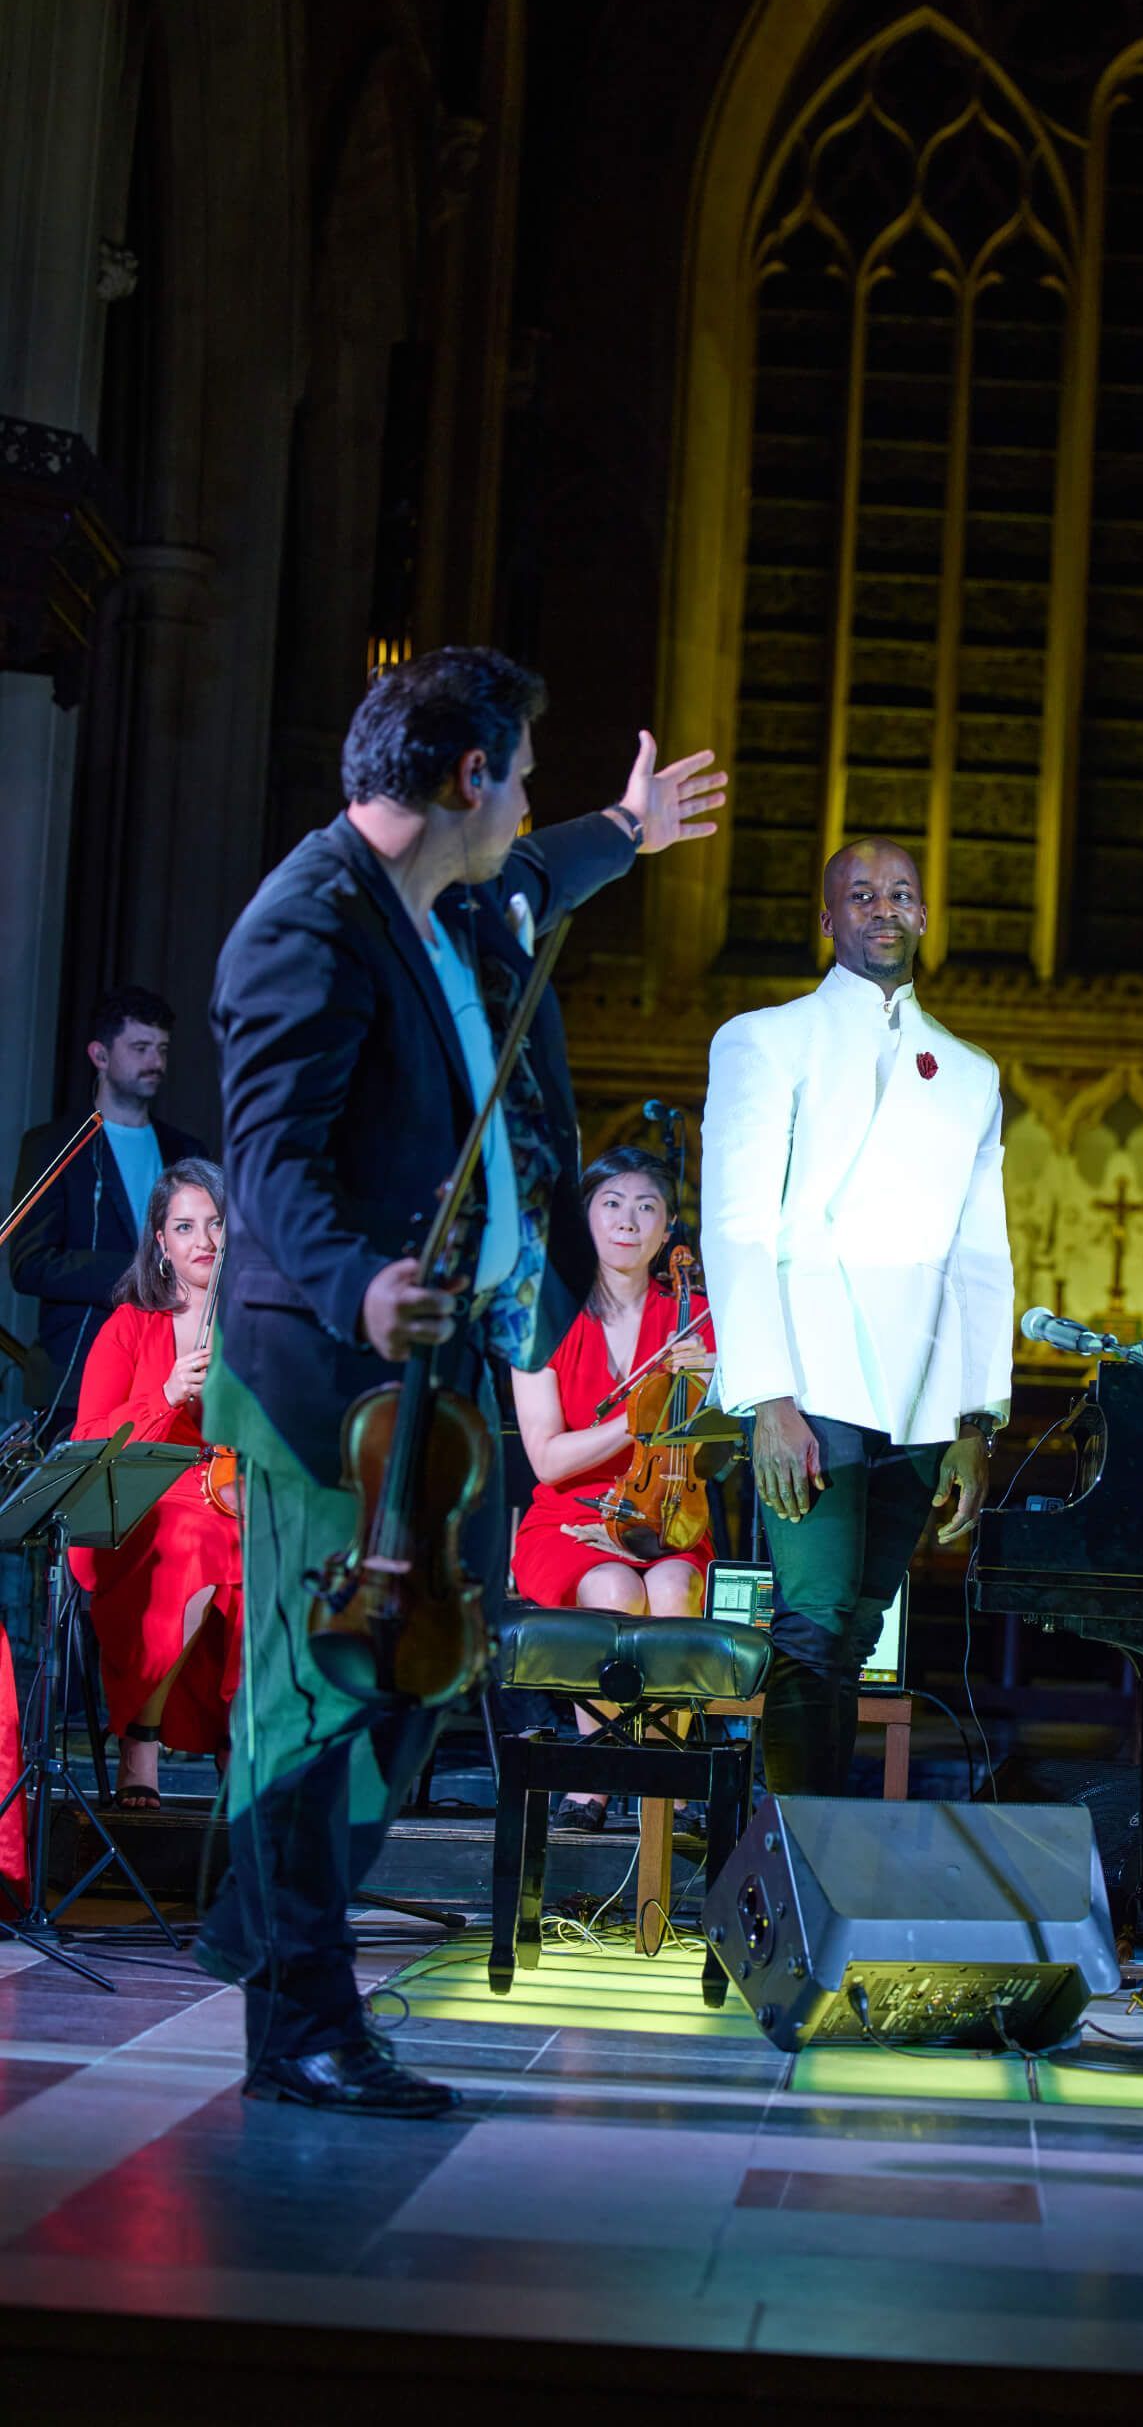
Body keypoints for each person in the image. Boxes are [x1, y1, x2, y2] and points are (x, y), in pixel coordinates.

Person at [197, 646, 724, 2117]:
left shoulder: (461, 896)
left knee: (424, 1667)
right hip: (330, 1376)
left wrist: (620, 832)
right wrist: (360, 1280)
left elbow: (534, 878)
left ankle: (263, 1934)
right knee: (322, 1694)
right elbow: (272, 1160)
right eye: (521, 780)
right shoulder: (302, 929)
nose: (526, 808)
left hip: (448, 1370)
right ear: (465, 777)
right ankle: (295, 2016)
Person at [700, 836, 1013, 1797]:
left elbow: (979, 1256)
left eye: (903, 894)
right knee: (816, 1614)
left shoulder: (967, 1073)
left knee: (862, 1625)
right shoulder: (764, 1038)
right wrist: (767, 1397)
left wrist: (973, 1421)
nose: (885, 909)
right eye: (863, 894)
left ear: (923, 916)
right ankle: (786, 1862)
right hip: (812, 1370)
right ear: (826, 918)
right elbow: (739, 1227)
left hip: (919, 1388)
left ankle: (806, 1849)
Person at [510, 1146, 715, 1830]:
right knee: (615, 1592)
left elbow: (718, 1451)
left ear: (668, 1231)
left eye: (647, 1207)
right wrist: (642, 1410)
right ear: (586, 1218)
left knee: (673, 1590)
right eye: (612, 1203)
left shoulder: (696, 1317)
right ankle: (596, 1775)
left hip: (666, 1511)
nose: (628, 1220)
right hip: (568, 1519)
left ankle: (670, 1782)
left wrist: (715, 1384)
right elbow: (548, 1461)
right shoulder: (543, 1315)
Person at [67, 1161, 243, 1808]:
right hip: (137, 1500)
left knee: (280, 1550)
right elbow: (89, 1443)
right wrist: (166, 1396)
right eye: (185, 1226)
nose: (204, 1240)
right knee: (193, 1540)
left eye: (217, 1223)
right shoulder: (130, 1325)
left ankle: (242, 1743)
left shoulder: (258, 1326)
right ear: (160, 1243)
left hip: (235, 1495)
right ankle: (141, 1740)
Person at [9, 988, 205, 1420]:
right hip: (77, 1377)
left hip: (172, 1375)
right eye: (140, 1048)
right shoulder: (53, 1145)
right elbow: (31, 1263)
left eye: (162, 1049)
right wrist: (143, 1275)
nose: (155, 1062)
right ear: (99, 1055)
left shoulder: (186, 1149)